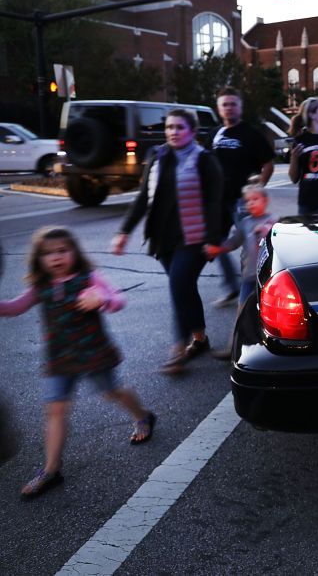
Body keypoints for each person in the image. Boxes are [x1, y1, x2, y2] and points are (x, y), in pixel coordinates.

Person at [2, 226, 155, 498]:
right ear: (39, 259)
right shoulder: (41, 287)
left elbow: (119, 299)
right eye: (48, 253)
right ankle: (51, 470)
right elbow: (15, 308)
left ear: (75, 252)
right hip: (60, 358)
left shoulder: (88, 278)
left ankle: (143, 415)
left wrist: (102, 297)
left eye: (63, 250)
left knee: (112, 392)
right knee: (55, 409)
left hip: (93, 353)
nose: (56, 257)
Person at [112, 108, 224, 373]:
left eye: (180, 127)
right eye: (170, 127)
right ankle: (200, 339)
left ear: (193, 132)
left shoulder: (204, 160)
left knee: (178, 286)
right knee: (185, 288)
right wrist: (124, 231)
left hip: (194, 239)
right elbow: (143, 198)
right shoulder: (157, 157)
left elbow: (215, 203)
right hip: (162, 240)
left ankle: (177, 350)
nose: (173, 132)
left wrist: (212, 239)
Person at [210, 87, 275, 308]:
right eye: (224, 104)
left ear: (240, 106)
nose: (229, 108)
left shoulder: (251, 133)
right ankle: (232, 286)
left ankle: (256, 286)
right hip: (219, 200)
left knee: (251, 245)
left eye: (233, 103)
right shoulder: (215, 134)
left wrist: (257, 190)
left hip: (243, 201)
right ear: (219, 109)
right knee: (217, 243)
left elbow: (268, 164)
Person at [204, 183, 277, 359]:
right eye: (248, 201)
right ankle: (233, 348)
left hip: (269, 276)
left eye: (255, 199)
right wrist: (218, 249)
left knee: (270, 313)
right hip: (249, 277)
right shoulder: (244, 223)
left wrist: (267, 229)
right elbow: (234, 242)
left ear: (265, 201)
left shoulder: (274, 220)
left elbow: (280, 239)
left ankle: (272, 347)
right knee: (241, 313)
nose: (251, 203)